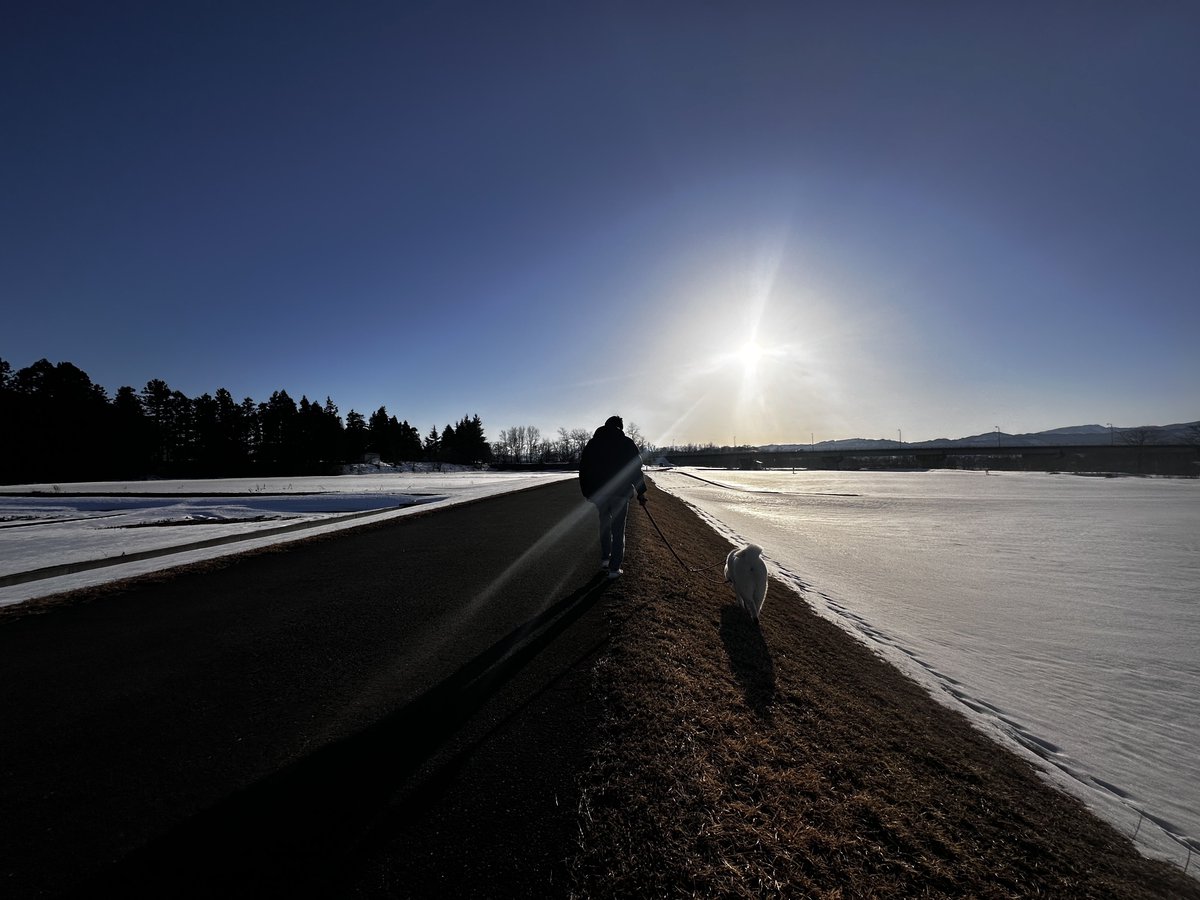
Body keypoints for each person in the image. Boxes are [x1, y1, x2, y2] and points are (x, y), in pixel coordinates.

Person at [579, 415, 647, 580]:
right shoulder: (626, 443)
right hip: (620, 493)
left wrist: (587, 492)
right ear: (620, 427)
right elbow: (635, 470)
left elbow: (583, 469)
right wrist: (641, 492)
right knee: (618, 530)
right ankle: (614, 569)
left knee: (604, 525)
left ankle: (605, 559)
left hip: (599, 493)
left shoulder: (593, 443)